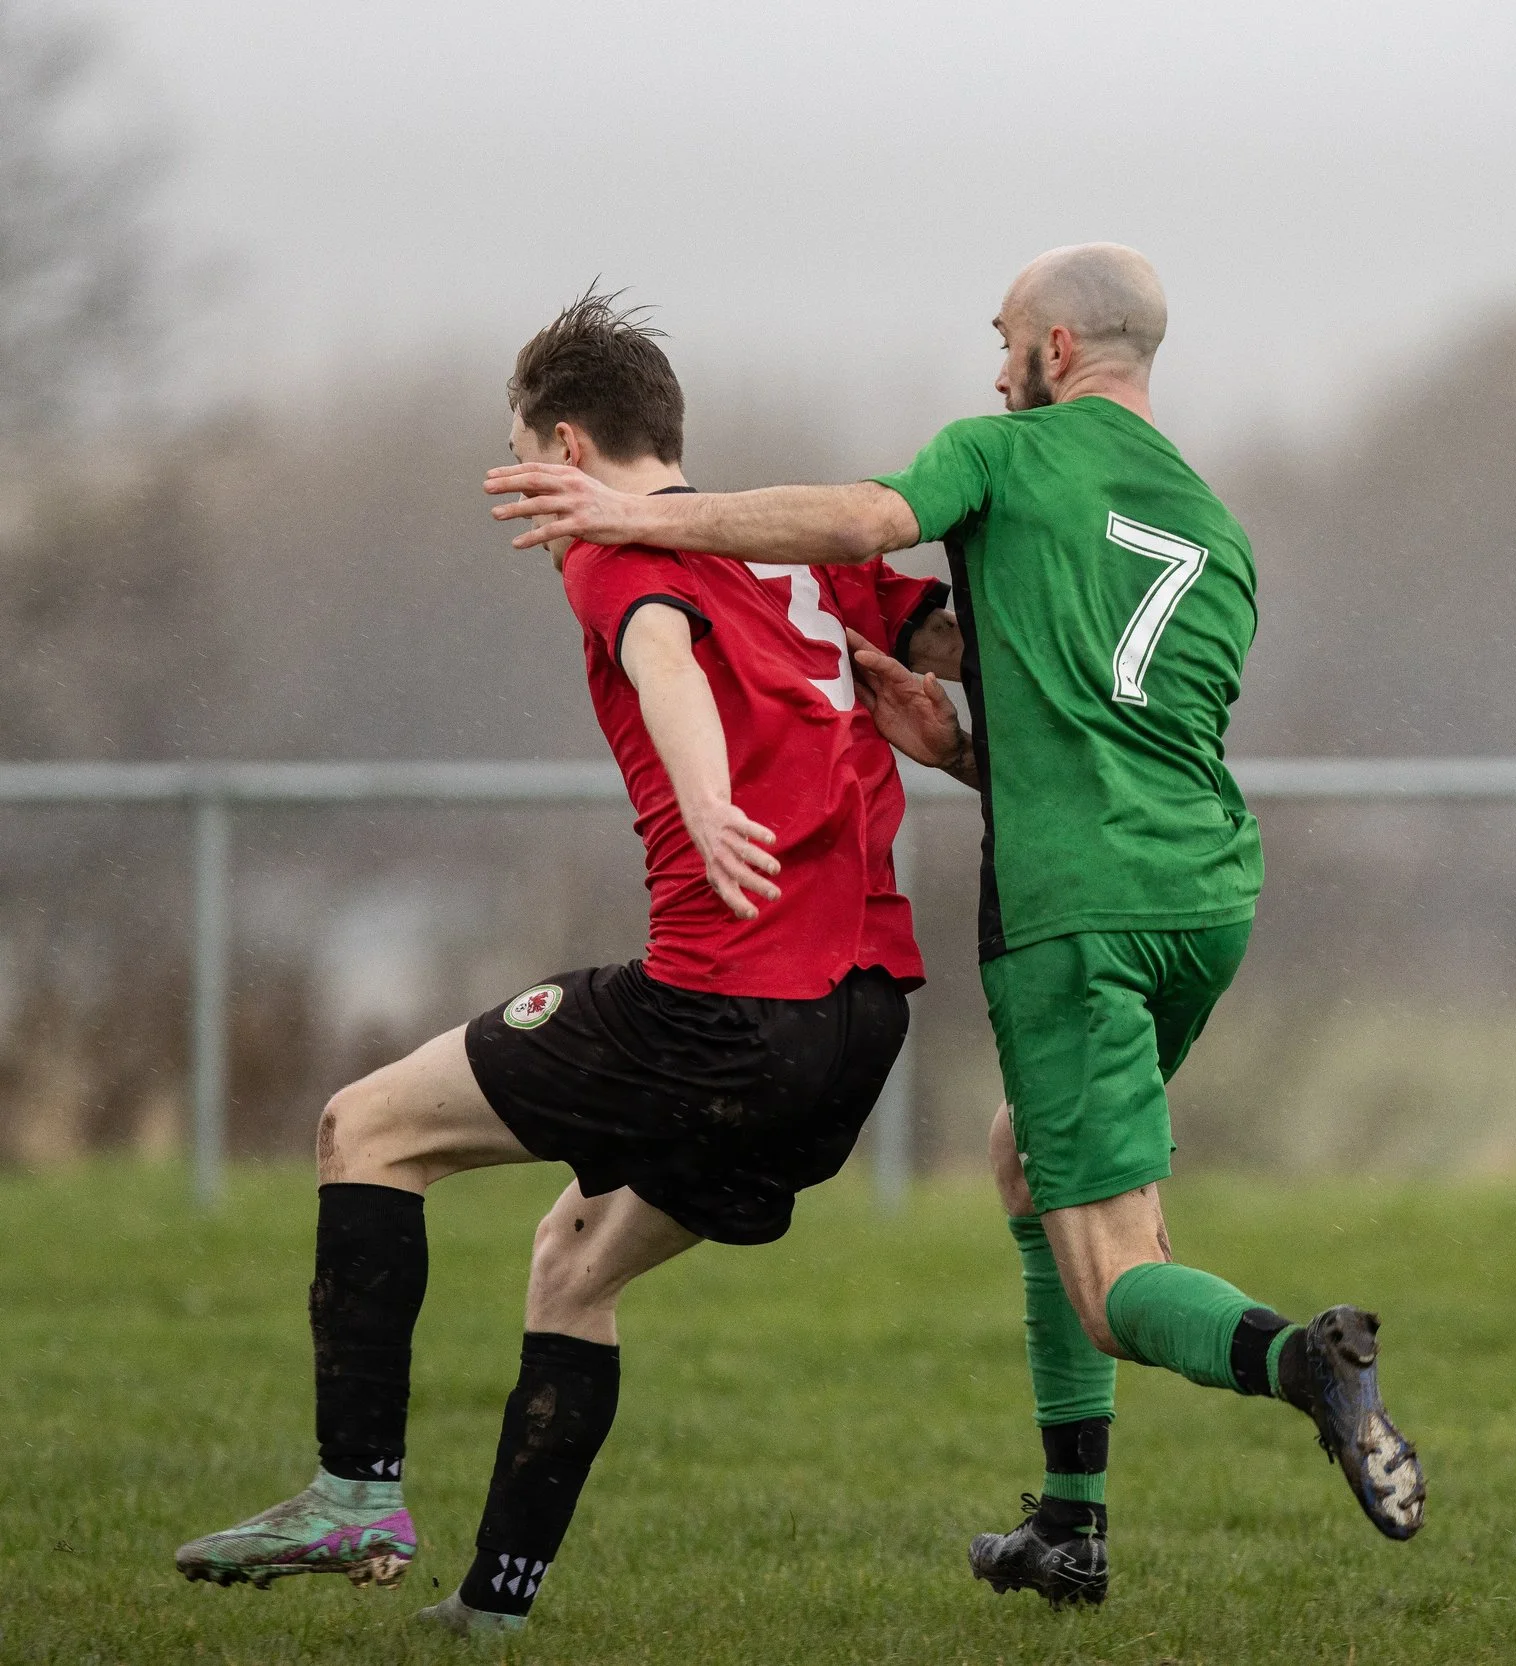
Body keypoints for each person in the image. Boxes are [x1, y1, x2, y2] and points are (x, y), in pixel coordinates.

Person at [483, 244, 1426, 1610]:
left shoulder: (1002, 453)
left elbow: (863, 521)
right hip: (1209, 893)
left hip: (1078, 918)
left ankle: (1306, 1362)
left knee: (1111, 1275)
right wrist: (963, 753)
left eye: (1004, 339)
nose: (994, 369)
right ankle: (1070, 1525)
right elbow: (1126, 747)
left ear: (1057, 352)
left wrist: (640, 518)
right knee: (1024, 1153)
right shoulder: (1219, 535)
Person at [174, 292, 957, 1637]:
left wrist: (706, 799)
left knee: (365, 1129)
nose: (529, 487)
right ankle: (491, 1612)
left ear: (571, 447)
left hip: (720, 1005)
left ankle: (354, 1492)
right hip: (861, 1027)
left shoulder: (606, 542)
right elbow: (952, 641)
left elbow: (662, 655)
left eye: (524, 454)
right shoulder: (796, 558)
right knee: (575, 1264)